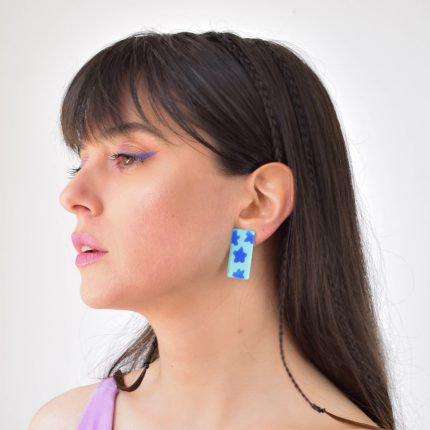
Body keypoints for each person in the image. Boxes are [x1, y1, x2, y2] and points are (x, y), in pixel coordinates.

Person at [29, 30, 396, 429]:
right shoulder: (61, 422)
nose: (72, 195)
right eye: (79, 163)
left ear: (259, 203)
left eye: (127, 157)